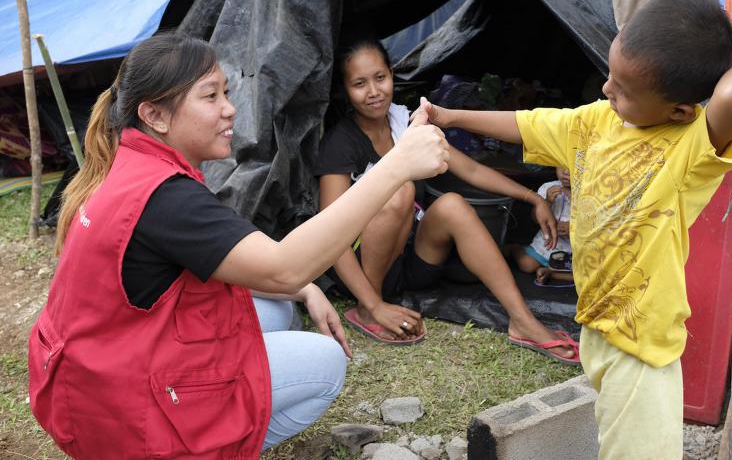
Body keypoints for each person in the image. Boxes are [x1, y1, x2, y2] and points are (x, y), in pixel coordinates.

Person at [27, 33, 450, 459]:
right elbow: (283, 267)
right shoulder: (166, 198)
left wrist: (306, 289)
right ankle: (198, 447)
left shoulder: (132, 164)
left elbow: (268, 274)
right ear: (154, 114)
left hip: (95, 384)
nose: (230, 108)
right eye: (210, 96)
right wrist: (395, 167)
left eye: (226, 92)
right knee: (325, 362)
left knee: (279, 307)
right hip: (122, 414)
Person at [419, 0, 732, 459]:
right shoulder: (598, 121)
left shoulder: (690, 147)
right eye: (611, 76)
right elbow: (527, 124)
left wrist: (723, 39)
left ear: (679, 110)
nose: (606, 90)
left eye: (624, 90)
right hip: (598, 324)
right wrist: (447, 115)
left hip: (642, 347)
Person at [315, 35, 579, 365]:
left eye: (380, 78)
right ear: (345, 89)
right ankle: (368, 309)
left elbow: (468, 168)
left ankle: (522, 320)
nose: (373, 91)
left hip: (409, 257)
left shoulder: (406, 122)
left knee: (451, 203)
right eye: (359, 83)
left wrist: (532, 198)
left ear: (392, 76)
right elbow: (328, 234)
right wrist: (373, 301)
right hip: (359, 271)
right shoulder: (340, 143)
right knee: (399, 190)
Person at [510, 166, 575, 286]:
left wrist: (573, 228)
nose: (566, 172)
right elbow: (535, 219)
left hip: (576, 251)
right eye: (562, 166)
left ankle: (551, 273)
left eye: (572, 167)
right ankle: (514, 248)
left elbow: (598, 224)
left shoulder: (591, 194)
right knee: (527, 265)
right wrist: (547, 202)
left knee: (588, 275)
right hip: (548, 246)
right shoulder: (547, 188)